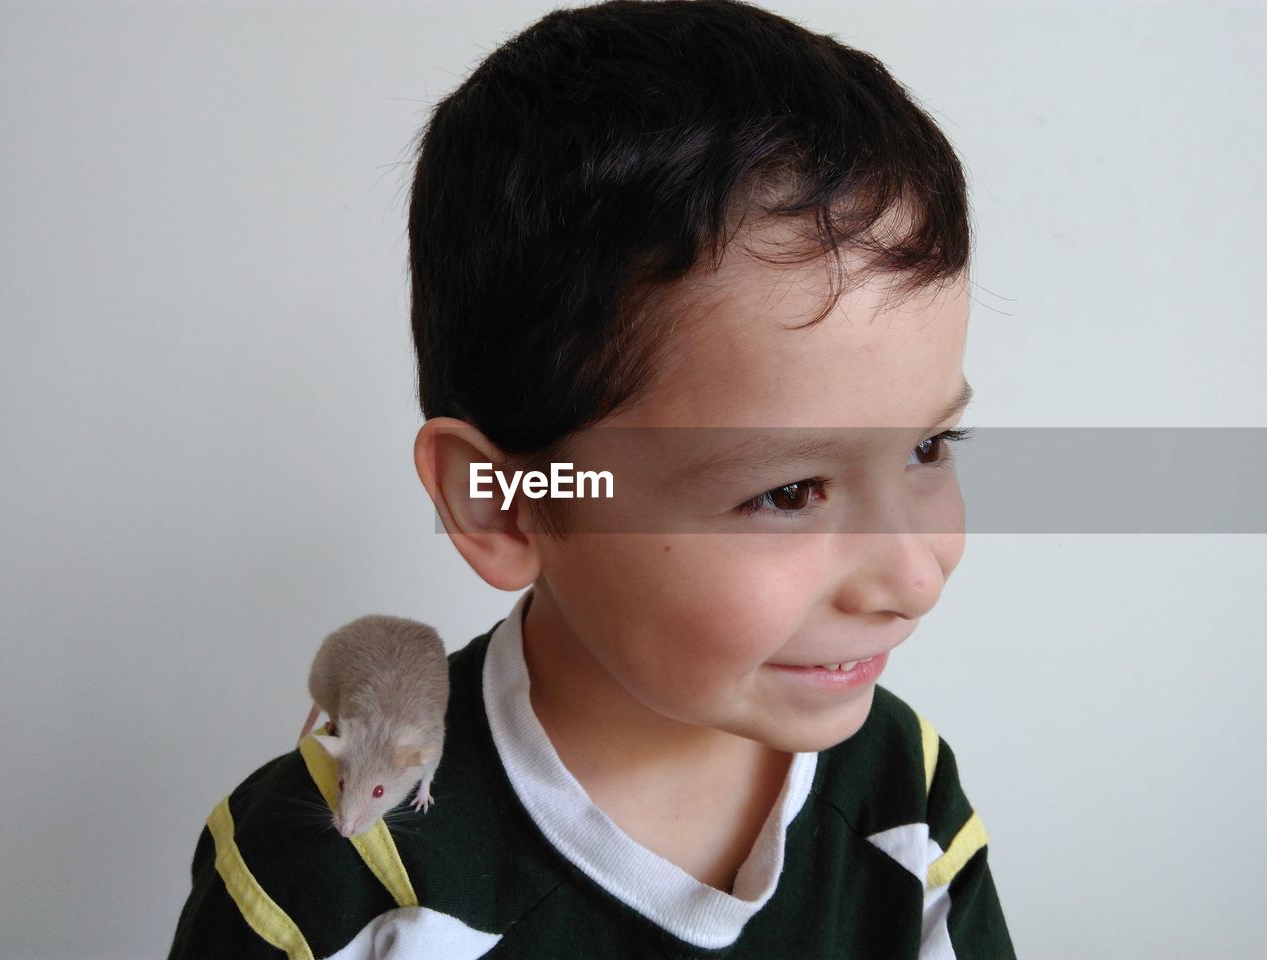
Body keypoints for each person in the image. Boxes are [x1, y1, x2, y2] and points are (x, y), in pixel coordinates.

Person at [167, 1, 1017, 956]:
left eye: (928, 449)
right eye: (786, 492)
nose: (914, 576)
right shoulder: (326, 875)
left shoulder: (904, 788)